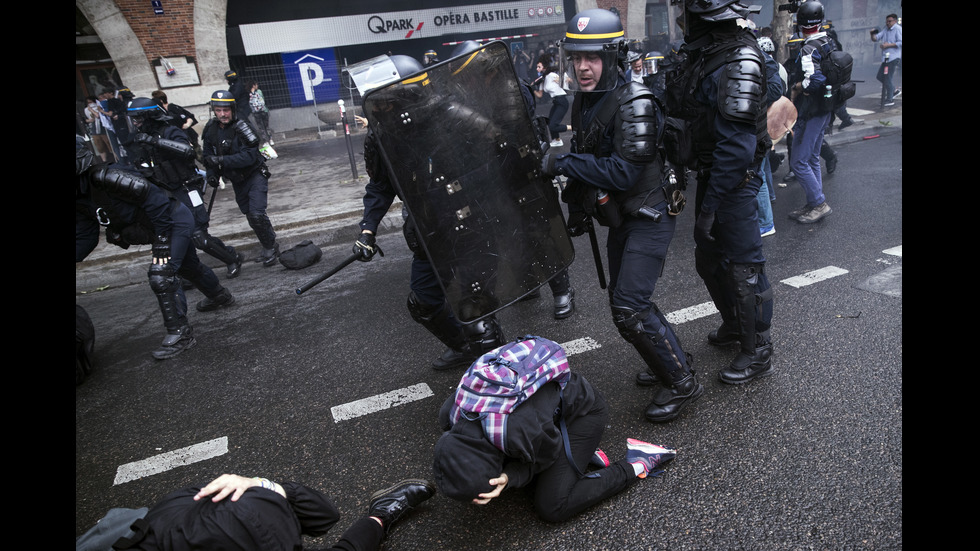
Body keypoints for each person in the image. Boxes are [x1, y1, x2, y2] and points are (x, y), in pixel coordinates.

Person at [540, 8, 699, 422]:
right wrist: (576, 207)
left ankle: (682, 382)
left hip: (651, 210)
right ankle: (670, 357)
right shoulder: (585, 99)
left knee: (628, 306)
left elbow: (623, 171)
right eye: (576, 58)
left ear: (613, 57)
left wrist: (563, 163)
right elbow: (587, 154)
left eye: (591, 57)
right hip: (622, 215)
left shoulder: (636, 101)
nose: (582, 67)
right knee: (626, 300)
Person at [353, 53, 506, 371]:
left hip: (471, 227)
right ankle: (465, 348)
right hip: (428, 231)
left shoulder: (453, 118)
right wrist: (368, 230)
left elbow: (498, 160)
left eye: (381, 102)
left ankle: (502, 378)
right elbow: (381, 186)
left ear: (404, 96)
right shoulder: (384, 136)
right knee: (423, 302)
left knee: (478, 312)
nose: (376, 110)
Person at [664, 0, 774, 384]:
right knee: (708, 259)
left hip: (736, 178)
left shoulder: (738, 58)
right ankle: (734, 324)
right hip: (714, 171)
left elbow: (737, 148)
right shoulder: (706, 54)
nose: (681, 21)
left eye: (687, 13)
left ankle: (757, 348)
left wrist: (710, 207)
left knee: (744, 266)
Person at [432, 356, 676, 522]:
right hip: (544, 411)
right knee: (532, 468)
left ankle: (639, 460)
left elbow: (546, 456)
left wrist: (509, 477)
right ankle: (580, 451)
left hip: (584, 411)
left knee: (553, 506)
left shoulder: (515, 433)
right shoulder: (450, 414)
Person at [76, 138, 235, 360]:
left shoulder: (107, 177)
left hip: (172, 220)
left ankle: (181, 334)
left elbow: (157, 200)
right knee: (188, 266)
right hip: (159, 226)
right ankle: (220, 296)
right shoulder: (79, 195)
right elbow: (85, 235)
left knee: (162, 273)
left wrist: (161, 240)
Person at [103, 473, 435, 551]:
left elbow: (325, 516)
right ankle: (380, 516)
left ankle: (380, 515)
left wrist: (265, 484)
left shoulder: (167, 514)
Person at [127, 97, 244, 278]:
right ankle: (191, 274)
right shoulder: (140, 140)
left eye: (138, 119)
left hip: (187, 189)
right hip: (166, 193)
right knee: (179, 237)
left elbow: (187, 151)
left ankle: (232, 258)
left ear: (149, 116)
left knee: (199, 236)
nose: (135, 123)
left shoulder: (170, 131)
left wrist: (155, 142)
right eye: (133, 119)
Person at [201, 90, 281, 266]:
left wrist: (221, 160)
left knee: (256, 214)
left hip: (254, 175)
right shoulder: (211, 129)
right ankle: (268, 243)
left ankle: (270, 246)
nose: (222, 114)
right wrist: (212, 174)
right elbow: (207, 156)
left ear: (232, 109)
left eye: (226, 110)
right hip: (237, 180)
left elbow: (249, 157)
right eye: (218, 110)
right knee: (250, 215)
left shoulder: (242, 126)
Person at [785, 0, 834, 224]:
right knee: (812, 157)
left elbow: (814, 80)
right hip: (825, 107)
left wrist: (797, 88)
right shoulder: (828, 41)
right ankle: (814, 201)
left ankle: (819, 204)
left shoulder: (808, 48)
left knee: (799, 162)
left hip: (811, 110)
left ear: (801, 25)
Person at [756, 36, 783, 237]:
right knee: (763, 167)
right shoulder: (771, 64)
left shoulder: (768, 64)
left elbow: (776, 91)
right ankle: (771, 198)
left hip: (762, 123)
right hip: (764, 122)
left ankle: (766, 223)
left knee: (759, 174)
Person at [532, 54, 569, 148]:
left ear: (544, 67)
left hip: (562, 101)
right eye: (536, 67)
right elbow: (539, 95)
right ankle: (557, 140)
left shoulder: (552, 75)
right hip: (556, 102)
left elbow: (567, 80)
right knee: (550, 122)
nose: (537, 69)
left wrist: (562, 80)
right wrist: (532, 88)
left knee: (553, 125)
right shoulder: (542, 79)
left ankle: (574, 128)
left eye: (539, 67)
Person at [870, 13, 902, 108]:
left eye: (890, 21)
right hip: (886, 58)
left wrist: (888, 45)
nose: (887, 23)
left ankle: (890, 99)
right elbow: (876, 38)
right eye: (887, 21)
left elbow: (900, 42)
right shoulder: (886, 29)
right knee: (880, 76)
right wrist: (872, 34)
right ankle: (894, 90)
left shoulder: (898, 29)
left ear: (895, 21)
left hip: (893, 57)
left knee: (887, 77)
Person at [84, 96, 112, 163]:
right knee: (99, 146)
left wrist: (91, 110)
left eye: (90, 102)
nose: (89, 104)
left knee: (109, 144)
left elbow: (97, 115)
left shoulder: (99, 107)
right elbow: (87, 119)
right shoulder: (86, 110)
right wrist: (89, 120)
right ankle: (104, 161)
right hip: (94, 129)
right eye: (88, 103)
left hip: (103, 128)